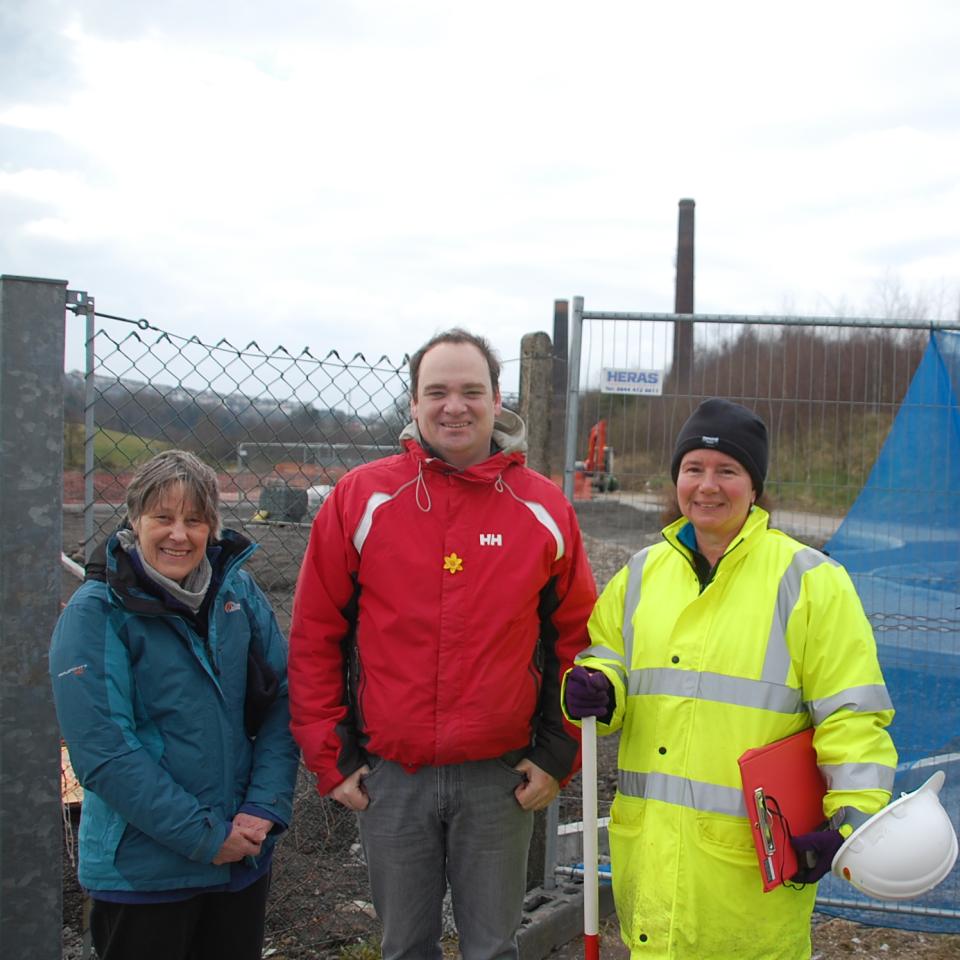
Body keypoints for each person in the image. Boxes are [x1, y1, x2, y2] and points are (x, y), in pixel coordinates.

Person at [288, 328, 596, 960]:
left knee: (492, 948)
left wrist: (559, 750)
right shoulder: (361, 499)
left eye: (470, 391)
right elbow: (316, 634)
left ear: (496, 398)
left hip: (501, 778)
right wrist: (331, 757)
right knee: (404, 948)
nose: (454, 406)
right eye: (437, 392)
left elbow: (579, 643)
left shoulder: (542, 508)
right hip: (392, 778)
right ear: (414, 403)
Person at [563, 398, 898, 960]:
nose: (707, 486)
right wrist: (597, 684)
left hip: (750, 870)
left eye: (727, 471)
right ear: (676, 480)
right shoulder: (642, 574)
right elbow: (607, 657)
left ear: (754, 484)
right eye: (693, 469)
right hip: (652, 863)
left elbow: (852, 710)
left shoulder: (809, 581)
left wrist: (851, 817)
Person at [50, 450, 300, 960]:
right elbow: (104, 753)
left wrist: (262, 809)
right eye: (162, 517)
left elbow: (282, 701)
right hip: (143, 876)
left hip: (240, 862)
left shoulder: (239, 593)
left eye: (195, 520)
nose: (179, 535)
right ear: (134, 521)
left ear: (213, 525)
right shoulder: (96, 613)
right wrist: (207, 838)